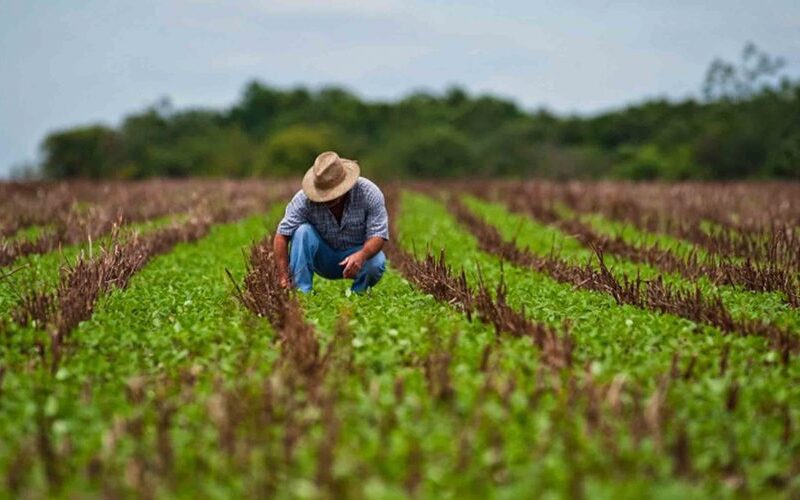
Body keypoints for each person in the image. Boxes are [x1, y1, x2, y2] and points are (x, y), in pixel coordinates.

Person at [273, 151, 389, 293]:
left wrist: (361, 255)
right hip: (323, 258)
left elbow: (378, 235)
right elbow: (281, 236)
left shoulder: (369, 193)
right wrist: (283, 277)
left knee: (376, 262)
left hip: (357, 254)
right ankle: (302, 293)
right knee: (302, 232)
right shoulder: (303, 200)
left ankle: (358, 295)